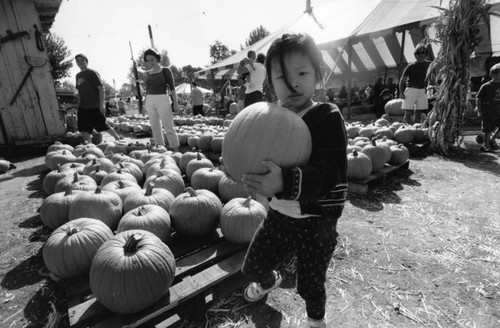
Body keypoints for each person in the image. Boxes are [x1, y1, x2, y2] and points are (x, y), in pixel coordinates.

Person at [240, 33, 348, 328]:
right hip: (279, 216)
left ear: (317, 75)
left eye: (301, 73)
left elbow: (330, 170)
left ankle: (316, 319)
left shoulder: (327, 116)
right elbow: (252, 152)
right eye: (281, 77)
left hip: (317, 221)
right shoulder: (268, 118)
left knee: (310, 283)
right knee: (253, 265)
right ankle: (269, 280)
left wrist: (286, 182)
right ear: (270, 83)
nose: (293, 84)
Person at [74, 54, 122, 144]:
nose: (80, 62)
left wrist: (102, 104)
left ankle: (118, 138)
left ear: (86, 62)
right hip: (83, 107)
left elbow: (101, 88)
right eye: (78, 61)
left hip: (94, 105)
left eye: (82, 60)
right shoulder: (78, 76)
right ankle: (87, 146)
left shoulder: (92, 72)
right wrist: (78, 106)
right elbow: (79, 92)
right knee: (84, 128)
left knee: (102, 126)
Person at [143, 49, 180, 151]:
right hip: (150, 101)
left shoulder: (165, 70)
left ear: (157, 58)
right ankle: (160, 150)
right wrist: (143, 104)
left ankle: (176, 151)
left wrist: (175, 102)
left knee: (168, 126)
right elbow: (147, 90)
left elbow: (172, 88)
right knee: (155, 128)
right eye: (148, 60)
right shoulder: (148, 73)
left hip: (162, 99)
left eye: (152, 59)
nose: (150, 62)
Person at [399, 45, 431, 124]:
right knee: (408, 112)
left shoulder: (429, 65)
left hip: (423, 90)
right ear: (415, 55)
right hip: (411, 90)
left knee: (419, 112)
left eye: (422, 53)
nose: (420, 55)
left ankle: (415, 128)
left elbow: (432, 79)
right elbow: (402, 80)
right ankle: (406, 128)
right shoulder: (410, 66)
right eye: (418, 53)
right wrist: (401, 92)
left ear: (425, 54)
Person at [475, 63, 500, 152]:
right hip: (489, 111)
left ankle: (492, 140)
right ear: (493, 74)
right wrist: (479, 110)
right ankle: (486, 145)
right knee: (487, 129)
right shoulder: (486, 86)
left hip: (499, 111)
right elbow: (478, 98)